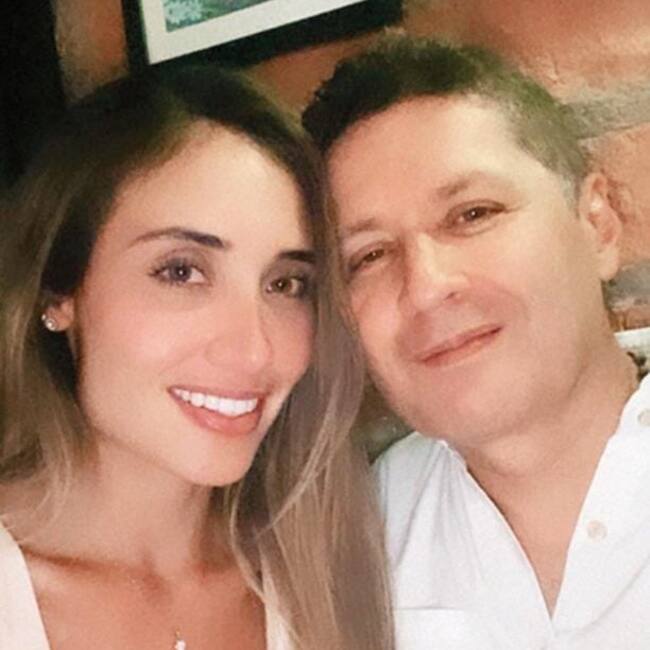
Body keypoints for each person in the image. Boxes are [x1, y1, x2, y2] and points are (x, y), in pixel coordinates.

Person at [0, 64, 394, 650]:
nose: (253, 349)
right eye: (182, 272)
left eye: (285, 284)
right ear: (59, 293)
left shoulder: (337, 571)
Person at [304, 35, 650, 649]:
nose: (426, 287)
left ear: (597, 224)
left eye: (472, 214)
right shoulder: (353, 547)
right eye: (369, 256)